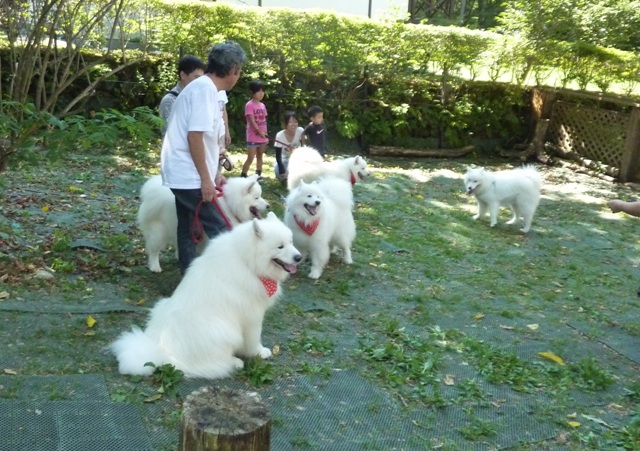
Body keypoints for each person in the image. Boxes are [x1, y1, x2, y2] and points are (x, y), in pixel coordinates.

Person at [160, 41, 247, 275]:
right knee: (222, 230)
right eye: (240, 71)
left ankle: (190, 279)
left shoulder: (205, 89)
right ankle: (235, 280)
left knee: (188, 229)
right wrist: (206, 180)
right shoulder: (204, 91)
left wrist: (214, 173)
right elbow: (194, 137)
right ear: (233, 69)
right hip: (188, 176)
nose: (239, 76)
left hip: (185, 173)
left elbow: (204, 139)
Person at [158, 55, 206, 137]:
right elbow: (172, 132)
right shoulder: (170, 100)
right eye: (196, 77)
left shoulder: (197, 96)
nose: (200, 82)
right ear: (183, 75)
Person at [240, 80, 268, 180]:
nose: (261, 93)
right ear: (252, 92)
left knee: (260, 156)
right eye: (258, 91)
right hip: (253, 136)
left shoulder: (262, 105)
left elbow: (263, 120)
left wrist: (265, 133)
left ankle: (258, 174)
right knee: (250, 157)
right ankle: (243, 175)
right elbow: (251, 121)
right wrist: (259, 131)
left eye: (262, 91)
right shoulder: (249, 105)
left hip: (263, 136)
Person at [273, 111, 306, 181]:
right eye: (290, 122)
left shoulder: (300, 131)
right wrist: (281, 168)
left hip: (298, 160)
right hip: (284, 160)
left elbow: (304, 148)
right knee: (279, 173)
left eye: (295, 122)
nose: (293, 124)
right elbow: (278, 156)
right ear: (286, 124)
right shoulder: (279, 135)